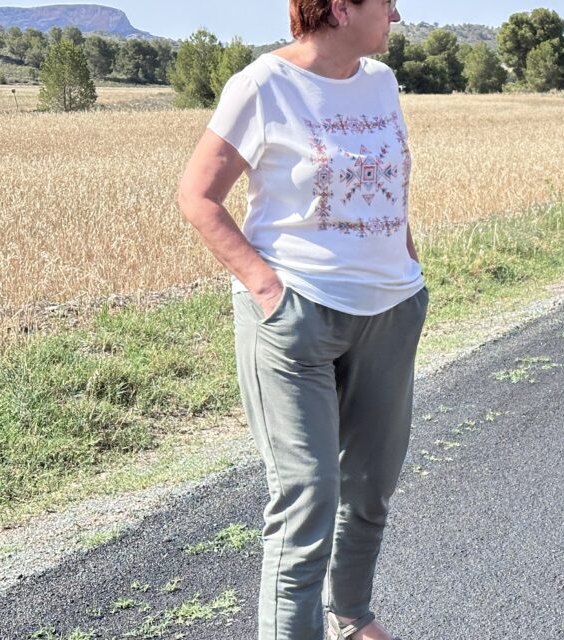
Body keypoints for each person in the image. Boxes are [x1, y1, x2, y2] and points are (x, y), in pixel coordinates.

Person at [177, 0, 424, 638]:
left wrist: (408, 266)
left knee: (369, 488)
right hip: (299, 319)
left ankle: (352, 619)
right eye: (387, 2)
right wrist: (267, 291)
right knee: (306, 501)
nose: (397, 15)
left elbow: (391, 184)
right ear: (341, 8)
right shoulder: (262, 86)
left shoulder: (381, 82)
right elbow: (198, 196)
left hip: (390, 312)